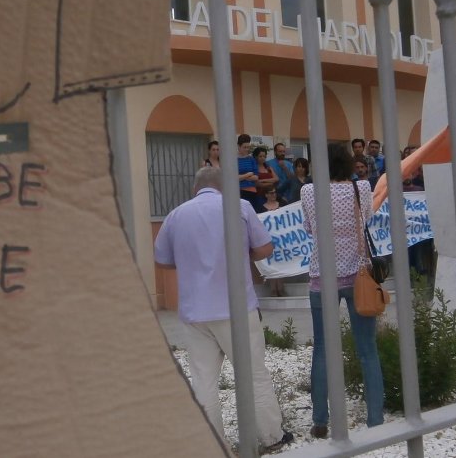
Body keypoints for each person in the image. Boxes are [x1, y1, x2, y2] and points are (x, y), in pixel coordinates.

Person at [153, 167, 295, 452]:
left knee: (203, 379)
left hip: (194, 312)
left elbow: (163, 260)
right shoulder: (239, 207)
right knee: (253, 374)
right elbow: (265, 247)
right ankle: (270, 437)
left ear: (196, 188)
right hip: (236, 308)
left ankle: (211, 442)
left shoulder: (176, 215)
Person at [301, 143, 384, 438]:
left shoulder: (309, 191)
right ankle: (375, 419)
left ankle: (321, 420)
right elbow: (368, 220)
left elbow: (310, 228)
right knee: (368, 350)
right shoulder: (360, 187)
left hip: (321, 276)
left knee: (323, 349)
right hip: (358, 276)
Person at [236, 135, 262, 212]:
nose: (247, 149)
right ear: (238, 146)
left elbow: (256, 177)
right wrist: (248, 175)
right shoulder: (234, 160)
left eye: (248, 147)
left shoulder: (251, 159)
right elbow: (233, 178)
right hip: (239, 191)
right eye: (245, 147)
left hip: (252, 191)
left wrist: (242, 177)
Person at [253, 146, 277, 212]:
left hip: (271, 195)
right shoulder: (254, 168)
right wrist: (270, 183)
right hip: (260, 196)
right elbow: (257, 184)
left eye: (264, 156)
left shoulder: (268, 167)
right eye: (260, 156)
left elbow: (276, 179)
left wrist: (263, 180)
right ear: (256, 157)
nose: (262, 158)